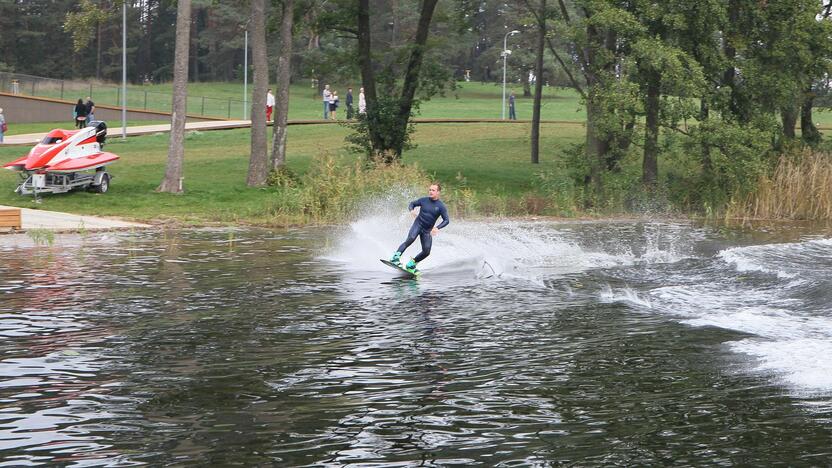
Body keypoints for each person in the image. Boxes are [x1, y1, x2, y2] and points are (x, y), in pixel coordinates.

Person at [389, 183, 450, 274]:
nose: (430, 192)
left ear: (438, 192)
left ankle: (411, 264)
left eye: (433, 190)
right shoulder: (424, 200)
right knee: (411, 239)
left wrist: (437, 228)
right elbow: (412, 204)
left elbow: (446, 220)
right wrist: (412, 210)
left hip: (427, 230)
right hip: (418, 224)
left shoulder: (441, 206)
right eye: (430, 190)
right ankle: (395, 258)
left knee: (426, 251)